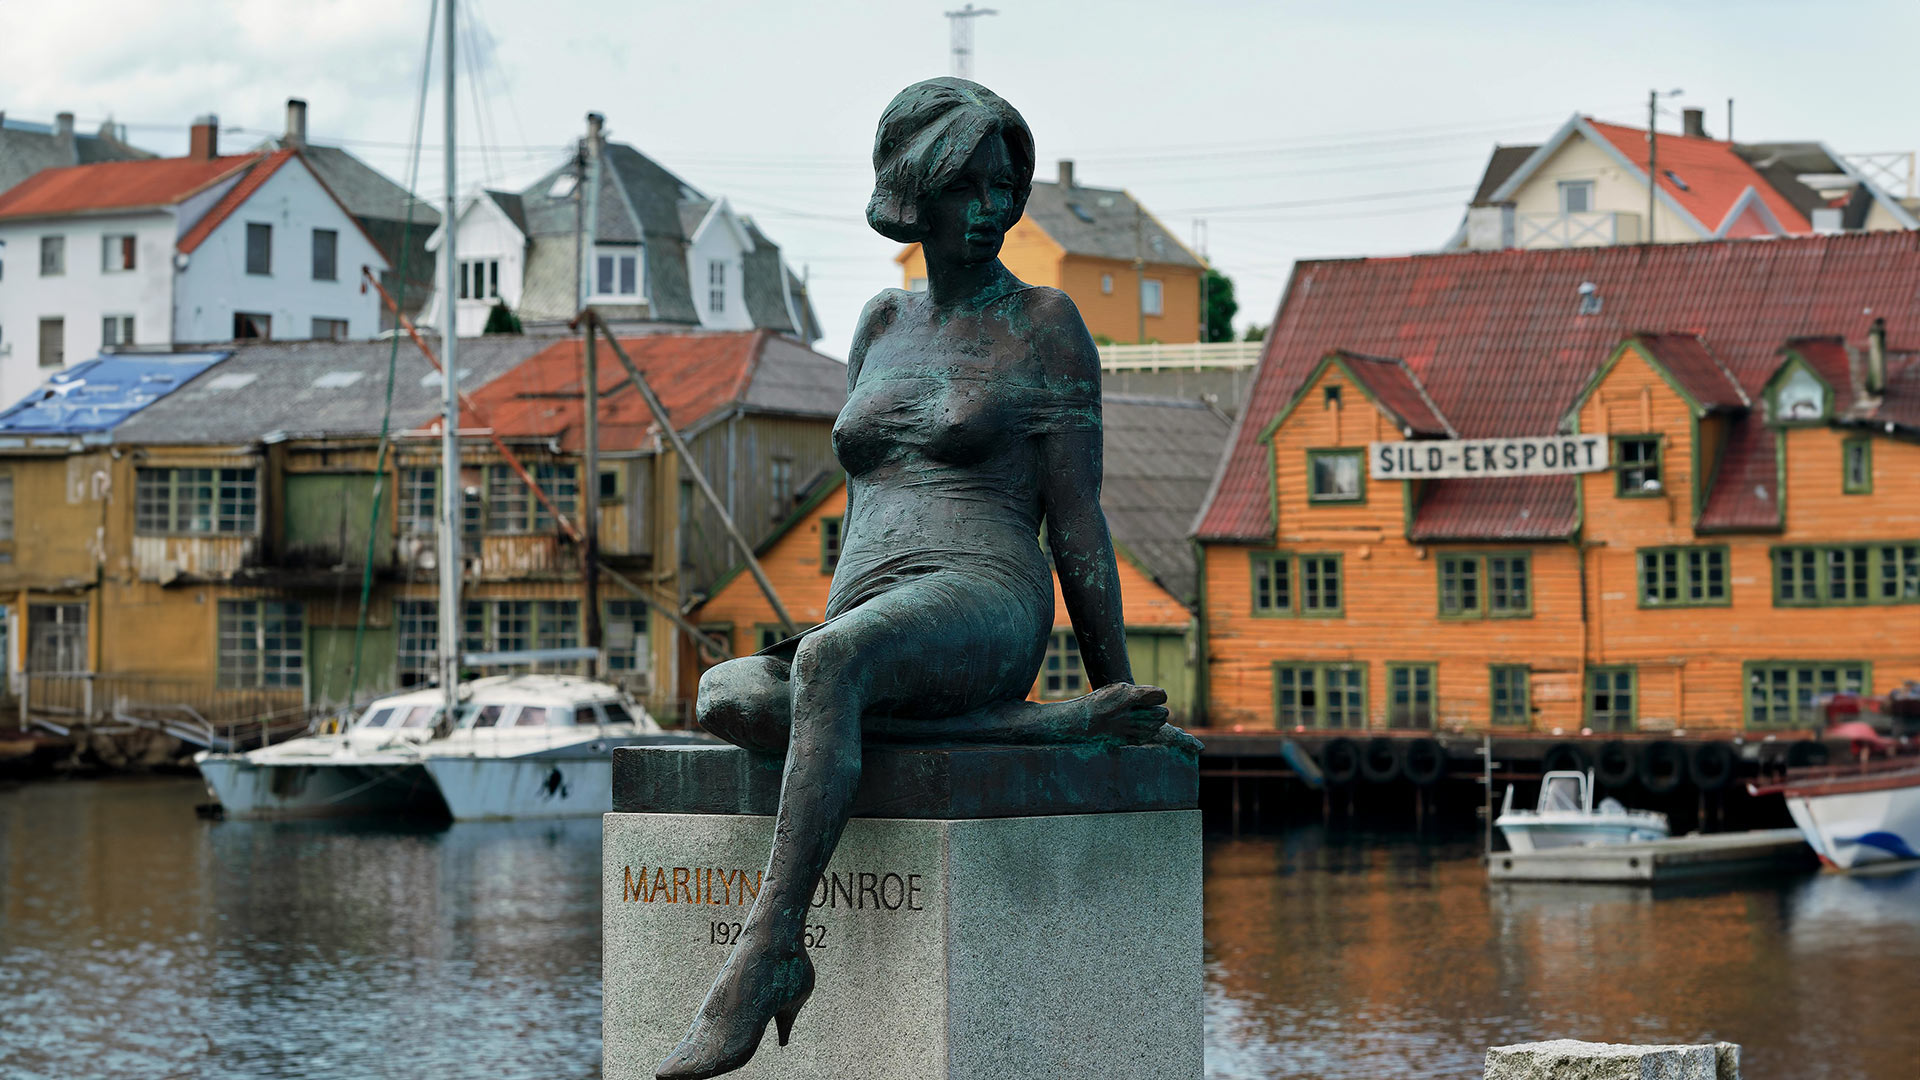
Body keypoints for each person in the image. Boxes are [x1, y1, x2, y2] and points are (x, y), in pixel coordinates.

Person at [654, 77, 1197, 1080]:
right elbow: (865, 503)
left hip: (988, 594)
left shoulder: (1047, 323)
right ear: (914, 192)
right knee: (724, 691)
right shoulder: (877, 323)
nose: (991, 210)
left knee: (829, 671)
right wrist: (832, 656)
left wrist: (1121, 681)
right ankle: (1044, 728)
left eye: (1005, 186)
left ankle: (767, 955)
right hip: (874, 618)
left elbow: (1077, 515)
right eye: (967, 187)